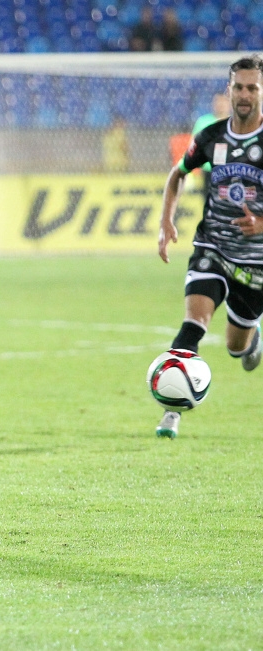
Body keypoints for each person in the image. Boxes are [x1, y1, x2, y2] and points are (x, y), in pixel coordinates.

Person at [156, 56, 263, 439]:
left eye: (253, 87)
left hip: (256, 265)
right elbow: (177, 174)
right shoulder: (211, 136)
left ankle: (251, 343)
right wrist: (166, 220)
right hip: (212, 248)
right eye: (239, 87)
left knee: (237, 348)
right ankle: (172, 410)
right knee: (193, 324)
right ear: (229, 90)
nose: (245, 94)